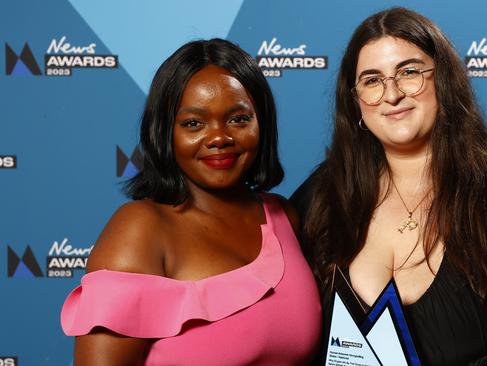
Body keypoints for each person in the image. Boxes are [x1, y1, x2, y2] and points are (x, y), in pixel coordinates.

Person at [291, 7, 487, 366]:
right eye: (372, 80)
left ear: (444, 81)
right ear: (355, 100)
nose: (391, 95)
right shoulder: (321, 197)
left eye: (409, 73)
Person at [60, 38, 321, 366]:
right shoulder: (140, 229)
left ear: (262, 125)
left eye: (238, 119)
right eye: (193, 123)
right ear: (165, 133)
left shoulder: (284, 217)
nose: (218, 138)